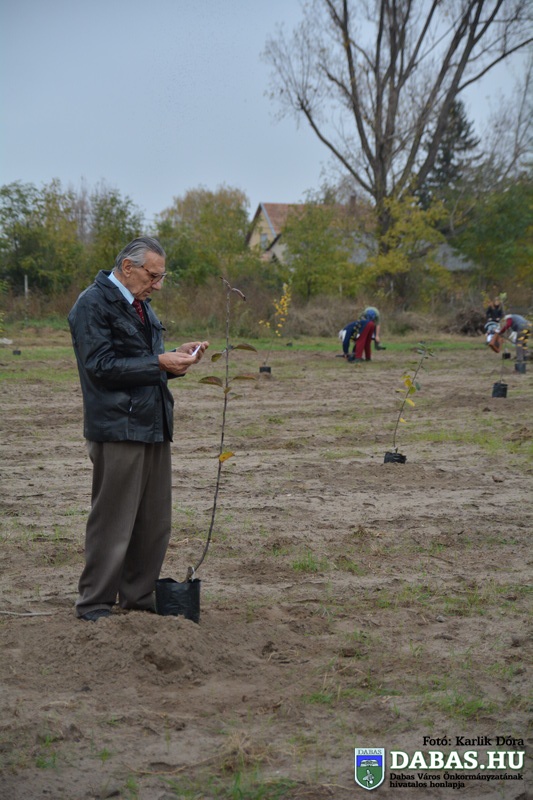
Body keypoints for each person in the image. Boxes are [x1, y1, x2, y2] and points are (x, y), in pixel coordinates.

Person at [68, 236, 209, 622]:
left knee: (154, 523)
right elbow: (100, 367)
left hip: (153, 423)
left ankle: (138, 598)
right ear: (127, 267)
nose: (157, 285)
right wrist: (159, 363)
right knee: (113, 522)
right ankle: (95, 603)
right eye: (153, 276)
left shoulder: (140, 304)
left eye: (162, 277)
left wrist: (175, 358)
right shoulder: (92, 304)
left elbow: (143, 361)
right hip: (118, 428)